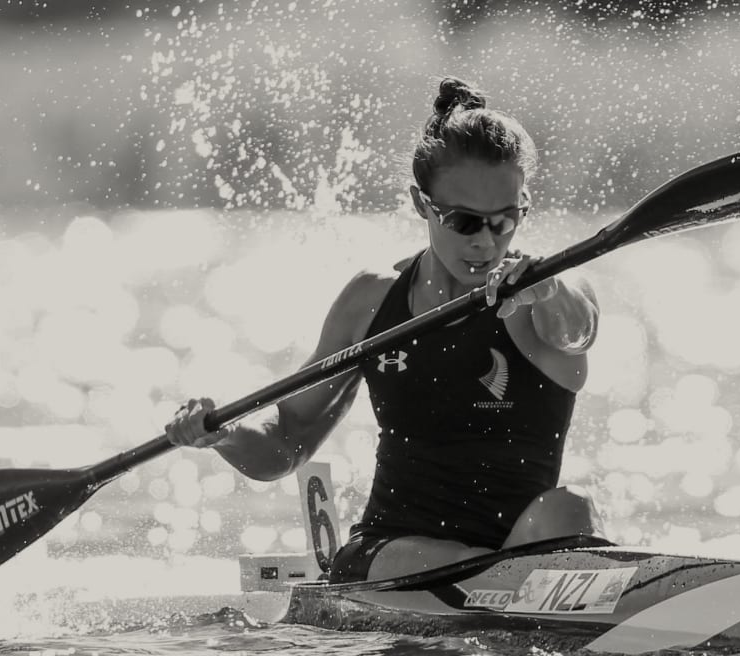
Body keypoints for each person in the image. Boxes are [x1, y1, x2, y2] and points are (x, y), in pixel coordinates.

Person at [165, 76, 606, 582]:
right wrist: (223, 434)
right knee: (462, 560)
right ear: (422, 205)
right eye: (465, 222)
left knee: (570, 506)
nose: (487, 242)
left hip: (521, 554)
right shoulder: (372, 300)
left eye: (505, 221)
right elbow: (285, 444)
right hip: (392, 559)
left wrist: (545, 287)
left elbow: (579, 330)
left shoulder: (552, 291)